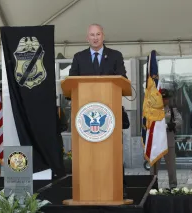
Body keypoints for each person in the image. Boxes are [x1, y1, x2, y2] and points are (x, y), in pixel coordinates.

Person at [69, 23, 129, 197]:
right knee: (87, 155)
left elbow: (122, 80)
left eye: (98, 34)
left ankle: (118, 187)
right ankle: (86, 189)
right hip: (85, 113)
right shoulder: (79, 57)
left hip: (110, 114)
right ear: (87, 38)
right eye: (92, 35)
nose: (95, 38)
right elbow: (71, 83)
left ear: (103, 36)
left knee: (113, 153)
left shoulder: (115, 56)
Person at [150, 89, 182, 189]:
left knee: (171, 165)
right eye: (163, 98)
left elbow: (180, 120)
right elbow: (148, 122)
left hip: (169, 140)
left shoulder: (172, 109)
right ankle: (153, 186)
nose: (165, 100)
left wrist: (171, 125)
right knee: (154, 165)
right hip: (156, 141)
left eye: (166, 98)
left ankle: (173, 185)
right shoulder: (153, 110)